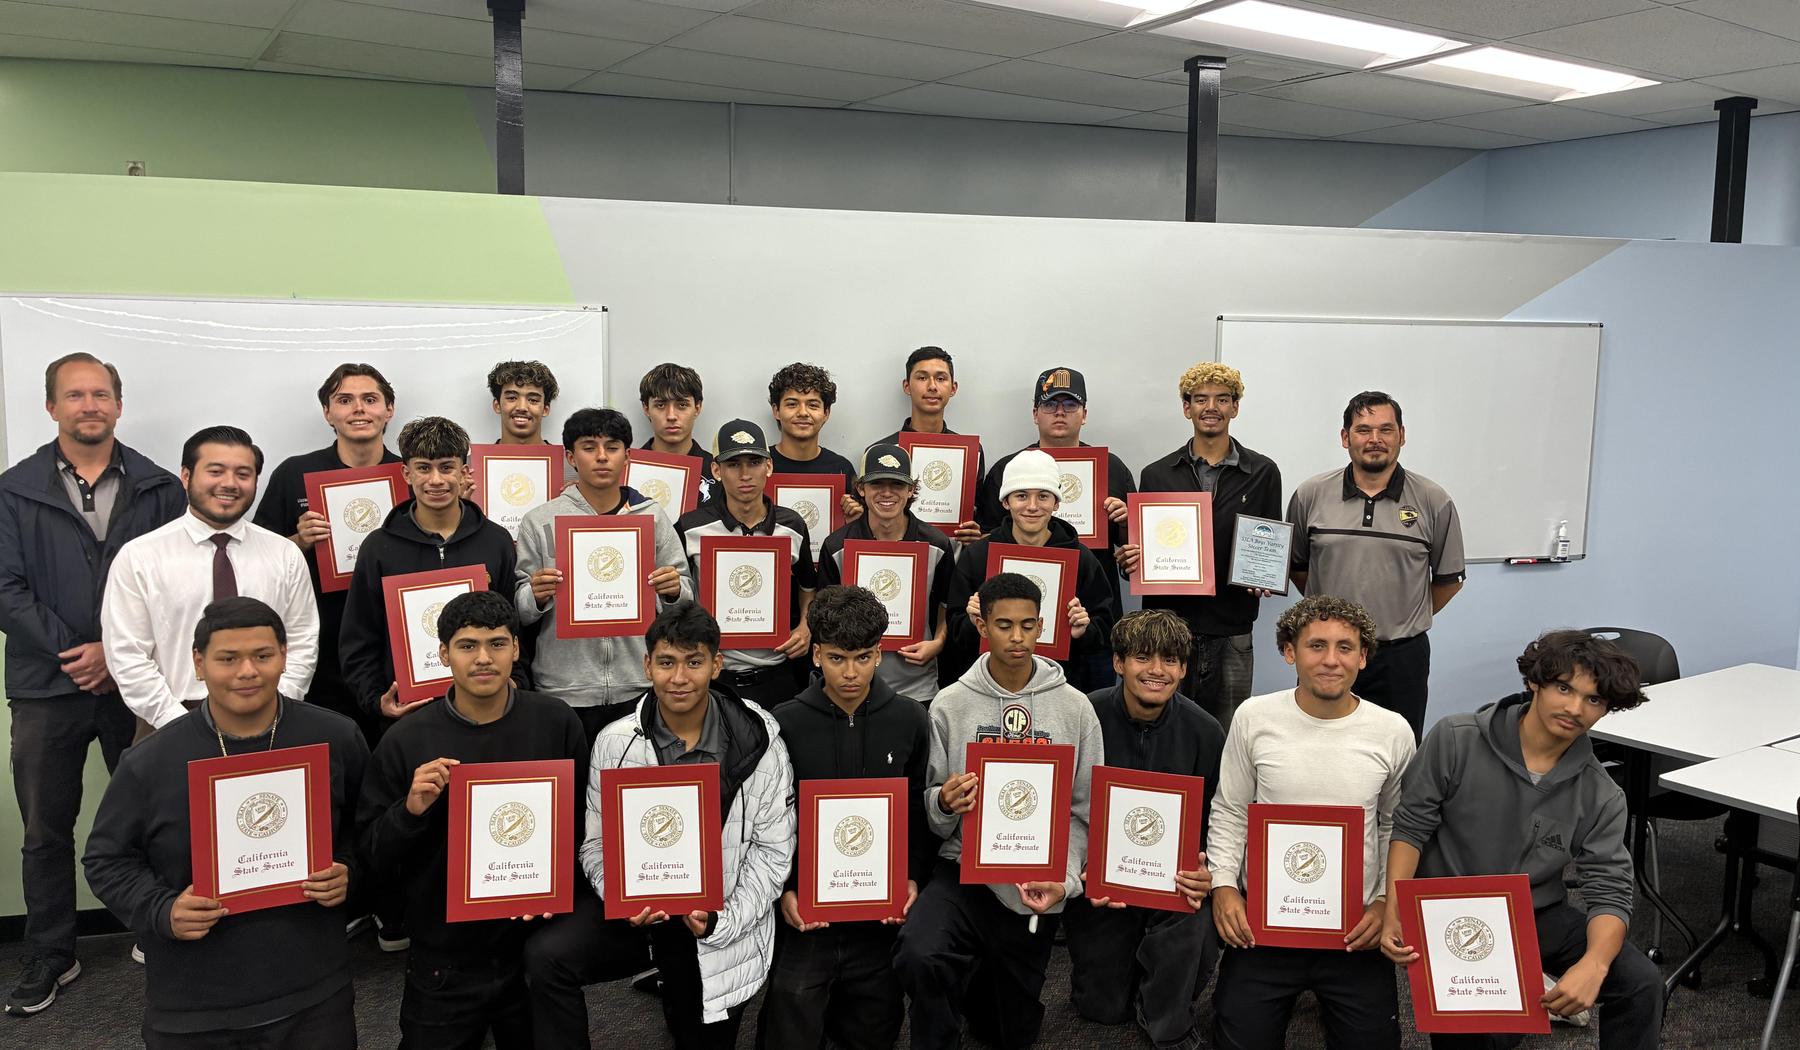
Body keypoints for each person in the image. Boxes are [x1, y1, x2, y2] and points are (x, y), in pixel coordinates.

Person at [83, 597, 368, 1048]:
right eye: (228, 658)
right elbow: (105, 860)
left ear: (284, 656)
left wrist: (350, 871)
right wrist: (162, 909)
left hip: (314, 993)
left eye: (263, 655)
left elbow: (366, 831)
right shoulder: (150, 761)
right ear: (199, 664)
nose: (247, 671)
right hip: (196, 1003)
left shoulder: (336, 737)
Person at [523, 600, 794, 1050]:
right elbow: (595, 845)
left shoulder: (759, 741)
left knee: (698, 1035)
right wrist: (621, 895)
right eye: (667, 662)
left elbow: (772, 852)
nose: (679, 677)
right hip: (639, 911)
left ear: (717, 665)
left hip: (718, 914)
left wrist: (721, 921)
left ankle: (682, 998)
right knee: (546, 956)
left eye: (694, 662)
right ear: (647, 665)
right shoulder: (615, 743)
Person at [1, 353, 183, 1015]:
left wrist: (117, 653)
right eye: (75, 395)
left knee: (156, 817)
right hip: (46, 686)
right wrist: (77, 654)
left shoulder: (160, 488)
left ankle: (158, 931)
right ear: (51, 407)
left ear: (118, 405)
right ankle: (52, 952)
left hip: (138, 682)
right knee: (45, 828)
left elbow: (175, 582)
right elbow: (5, 588)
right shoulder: (13, 490)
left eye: (100, 394)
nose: (89, 405)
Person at [1380, 630, 1662, 1050]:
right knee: (1493, 1032)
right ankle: (1523, 988)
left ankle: (1532, 979)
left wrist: (1595, 964)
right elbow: (1410, 827)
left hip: (1535, 912)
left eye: (1593, 699)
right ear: (1535, 682)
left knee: (1642, 983)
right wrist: (1394, 906)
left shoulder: (1601, 794)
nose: (1575, 708)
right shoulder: (1455, 739)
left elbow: (1610, 890)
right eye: (1564, 688)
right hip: (1449, 911)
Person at [357, 591, 587, 1050]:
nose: (483, 658)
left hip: (534, 945)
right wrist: (409, 811)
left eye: (497, 643)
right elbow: (369, 857)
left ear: (516, 649)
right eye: (467, 646)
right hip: (445, 958)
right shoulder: (405, 740)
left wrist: (561, 892)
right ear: (443, 654)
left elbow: (581, 825)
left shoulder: (555, 722)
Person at [893, 572, 1103, 1050]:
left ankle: (980, 990)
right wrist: (944, 802)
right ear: (983, 626)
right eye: (1004, 625)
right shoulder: (949, 704)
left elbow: (1085, 809)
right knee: (920, 954)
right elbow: (929, 802)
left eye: (1028, 625)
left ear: (1042, 626)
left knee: (1008, 1032)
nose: (1017, 637)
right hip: (962, 869)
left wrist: (1064, 879)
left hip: (1034, 878)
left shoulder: (1074, 708)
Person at [1205, 595, 1415, 1050]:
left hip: (1355, 926)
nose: (1331, 660)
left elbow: (1396, 826)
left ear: (1363, 656)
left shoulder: (1392, 730)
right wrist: (1223, 886)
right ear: (1289, 652)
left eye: (1345, 647)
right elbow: (1231, 809)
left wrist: (1385, 901)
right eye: (1317, 645)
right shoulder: (1254, 717)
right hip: (1265, 922)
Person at [756, 585, 933, 1050]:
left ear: (879, 653)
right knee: (790, 1012)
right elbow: (772, 818)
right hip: (808, 909)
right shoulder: (784, 723)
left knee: (876, 1023)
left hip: (880, 911)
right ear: (816, 655)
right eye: (836, 658)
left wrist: (912, 876)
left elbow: (917, 808)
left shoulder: (911, 719)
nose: (850, 672)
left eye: (862, 658)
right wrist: (786, 889)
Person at [1064, 609, 1222, 1050]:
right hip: (1100, 885)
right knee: (1103, 1008)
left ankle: (1167, 1019)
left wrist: (1207, 870)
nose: (1157, 670)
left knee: (1195, 926)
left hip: (1172, 885)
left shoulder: (1205, 732)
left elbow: (1218, 819)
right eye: (1142, 657)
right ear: (1118, 662)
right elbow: (1061, 808)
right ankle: (1131, 976)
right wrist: (1080, 865)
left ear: (1184, 669)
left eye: (1170, 660)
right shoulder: (1084, 715)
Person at [102, 426, 319, 731]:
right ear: (186, 476)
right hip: (170, 722)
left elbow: (302, 640)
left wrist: (274, 709)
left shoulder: (284, 554)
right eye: (215, 471)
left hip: (271, 721)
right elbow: (127, 654)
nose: (229, 483)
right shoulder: (141, 557)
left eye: (243, 474)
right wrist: (179, 723)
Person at [1287, 391, 1464, 740]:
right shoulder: (1310, 494)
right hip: (1327, 652)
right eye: (1363, 430)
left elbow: (1449, 580)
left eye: (1385, 429)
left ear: (1402, 435)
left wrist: (1403, 616)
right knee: (1318, 744)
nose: (1375, 439)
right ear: (1345, 437)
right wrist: (1331, 617)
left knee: (1396, 751)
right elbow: (1298, 566)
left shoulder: (1433, 500)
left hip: (1400, 657)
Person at [514, 408, 690, 743]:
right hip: (563, 688)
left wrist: (672, 591)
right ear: (571, 457)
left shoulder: (652, 517)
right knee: (573, 775)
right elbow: (520, 610)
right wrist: (534, 596)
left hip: (638, 683)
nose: (601, 457)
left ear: (628, 455)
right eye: (588, 447)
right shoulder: (540, 520)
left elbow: (686, 598)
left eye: (612, 447)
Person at [1123, 362, 1282, 731]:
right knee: (1163, 728)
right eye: (1200, 399)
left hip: (1232, 627)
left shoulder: (1263, 472)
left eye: (1222, 399)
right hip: (1167, 628)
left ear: (1235, 407)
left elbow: (1269, 544)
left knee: (1227, 733)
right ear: (1187, 408)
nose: (1211, 407)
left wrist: (1265, 575)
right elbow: (1139, 553)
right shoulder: (1156, 474)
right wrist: (1129, 560)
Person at [252, 362, 400, 742]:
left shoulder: (412, 475)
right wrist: (298, 541)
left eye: (370, 399)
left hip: (395, 646)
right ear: (327, 413)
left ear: (389, 409)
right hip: (319, 649)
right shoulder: (294, 474)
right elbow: (255, 563)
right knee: (330, 754)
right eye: (345, 400)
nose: (359, 409)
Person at [339, 415, 519, 724]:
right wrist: (375, 699)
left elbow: (516, 626)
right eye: (424, 468)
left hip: (487, 708)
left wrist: (518, 682)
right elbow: (359, 637)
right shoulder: (378, 547)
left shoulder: (496, 541)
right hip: (408, 715)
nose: (436, 480)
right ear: (406, 473)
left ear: (464, 472)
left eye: (446, 467)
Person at [976, 367, 1136, 688]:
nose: (1060, 412)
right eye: (1050, 404)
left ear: (1084, 413)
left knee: (1090, 711)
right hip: (1017, 626)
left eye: (1070, 404)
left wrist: (1126, 522)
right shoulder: (1008, 469)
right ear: (1035, 413)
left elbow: (1132, 553)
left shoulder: (1112, 468)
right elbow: (989, 541)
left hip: (1090, 624)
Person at [945, 449, 1114, 691]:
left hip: (1059, 684)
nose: (1032, 506)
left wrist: (1084, 631)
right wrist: (973, 623)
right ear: (1006, 502)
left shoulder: (1082, 558)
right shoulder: (978, 556)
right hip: (991, 686)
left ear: (1056, 503)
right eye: (1021, 496)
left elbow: (1104, 628)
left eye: (1043, 496)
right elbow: (956, 631)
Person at [673, 420, 816, 704]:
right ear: (716, 470)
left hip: (778, 673)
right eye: (733, 464)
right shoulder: (690, 527)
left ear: (769, 466)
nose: (745, 474)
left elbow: (808, 587)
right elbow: (679, 596)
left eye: (754, 462)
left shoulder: (792, 525)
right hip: (715, 676)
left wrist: (805, 626)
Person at [817, 444, 954, 705]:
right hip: (852, 687)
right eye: (877, 483)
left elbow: (947, 605)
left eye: (897, 484)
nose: (887, 493)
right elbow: (824, 619)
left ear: (911, 490)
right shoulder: (836, 547)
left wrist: (938, 642)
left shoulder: (937, 545)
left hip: (917, 685)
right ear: (861, 488)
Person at [875, 346, 986, 543]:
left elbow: (979, 513)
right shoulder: (882, 452)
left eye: (941, 378)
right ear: (907, 386)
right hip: (899, 552)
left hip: (953, 554)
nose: (932, 386)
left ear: (953, 388)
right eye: (922, 377)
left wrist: (976, 533)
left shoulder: (972, 452)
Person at [766, 362, 862, 524]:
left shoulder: (841, 469)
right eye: (792, 404)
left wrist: (856, 520)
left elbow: (853, 529)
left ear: (826, 413)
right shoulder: (757, 465)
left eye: (812, 405)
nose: (803, 412)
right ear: (776, 411)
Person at [638, 363, 714, 503]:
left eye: (682, 405)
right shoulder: (626, 470)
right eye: (660, 405)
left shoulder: (718, 471)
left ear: (697, 408)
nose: (671, 416)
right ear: (646, 408)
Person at [489, 360, 560, 446]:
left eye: (533, 400)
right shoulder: (480, 455)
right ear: (497, 405)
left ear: (545, 409)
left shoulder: (564, 455)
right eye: (512, 398)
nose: (522, 407)